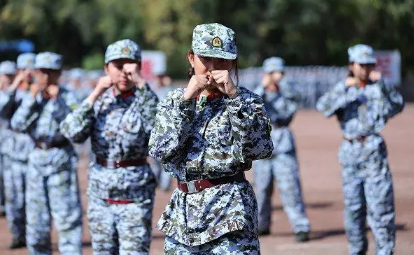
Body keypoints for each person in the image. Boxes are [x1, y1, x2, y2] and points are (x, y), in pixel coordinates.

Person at [149, 23, 274, 254]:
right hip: (184, 216)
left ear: (232, 63)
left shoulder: (247, 101)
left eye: (222, 61)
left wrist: (234, 97)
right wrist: (187, 100)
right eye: (205, 59)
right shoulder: (175, 101)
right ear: (191, 58)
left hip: (230, 213)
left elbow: (262, 148)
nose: (213, 68)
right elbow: (159, 149)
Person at [60, 39, 159, 255]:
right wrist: (95, 93)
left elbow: (161, 130)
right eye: (117, 66)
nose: (124, 73)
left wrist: (142, 84)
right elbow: (71, 132)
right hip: (100, 197)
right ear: (106, 69)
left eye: (130, 66)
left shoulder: (146, 100)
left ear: (139, 68)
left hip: (135, 196)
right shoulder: (98, 101)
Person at [316, 44, 404, 255]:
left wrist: (382, 83)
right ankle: (356, 250)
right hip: (350, 152)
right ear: (351, 66)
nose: (365, 69)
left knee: (381, 208)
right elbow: (323, 107)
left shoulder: (378, 89)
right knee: (354, 209)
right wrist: (345, 90)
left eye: (368, 65)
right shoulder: (343, 88)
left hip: (373, 151)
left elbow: (397, 106)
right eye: (360, 65)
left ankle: (384, 251)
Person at [11, 52, 83, 255]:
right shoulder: (31, 97)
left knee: (67, 220)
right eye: (41, 71)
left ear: (58, 74)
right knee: (36, 223)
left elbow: (76, 128)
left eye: (50, 72)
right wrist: (33, 98)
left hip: (61, 159)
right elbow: (17, 124)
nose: (45, 77)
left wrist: (57, 100)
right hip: (36, 160)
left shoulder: (68, 97)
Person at [253, 57, 311, 241]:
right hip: (262, 145)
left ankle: (300, 226)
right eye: (271, 73)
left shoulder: (288, 92)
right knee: (261, 191)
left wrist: (281, 82)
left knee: (290, 188)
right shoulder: (258, 92)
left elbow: (296, 98)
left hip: (283, 145)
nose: (275, 77)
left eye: (278, 73)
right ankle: (261, 224)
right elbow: (250, 105)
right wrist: (264, 85)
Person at [0, 53, 36, 249]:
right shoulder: (11, 92)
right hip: (12, 152)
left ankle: (34, 235)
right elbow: (2, 109)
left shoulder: (40, 91)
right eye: (23, 70)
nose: (27, 74)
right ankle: (17, 234)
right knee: (13, 197)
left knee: (34, 199)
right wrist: (16, 85)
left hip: (34, 152)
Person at [0, 60, 17, 218]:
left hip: (10, 141)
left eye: (12, 75)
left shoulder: (18, 92)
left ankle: (6, 204)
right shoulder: (7, 93)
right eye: (6, 75)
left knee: (8, 175)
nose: (9, 78)